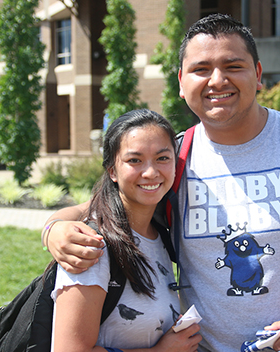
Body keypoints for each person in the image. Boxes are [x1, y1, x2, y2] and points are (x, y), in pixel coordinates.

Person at [42, 14, 280, 352]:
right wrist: (54, 230)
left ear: (258, 74)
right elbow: (96, 208)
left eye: (233, 66)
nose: (216, 81)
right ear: (181, 82)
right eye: (200, 69)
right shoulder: (172, 160)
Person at [49, 109, 202, 352]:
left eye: (162, 158)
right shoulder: (92, 247)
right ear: (112, 171)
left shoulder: (158, 232)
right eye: (134, 160)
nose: (151, 172)